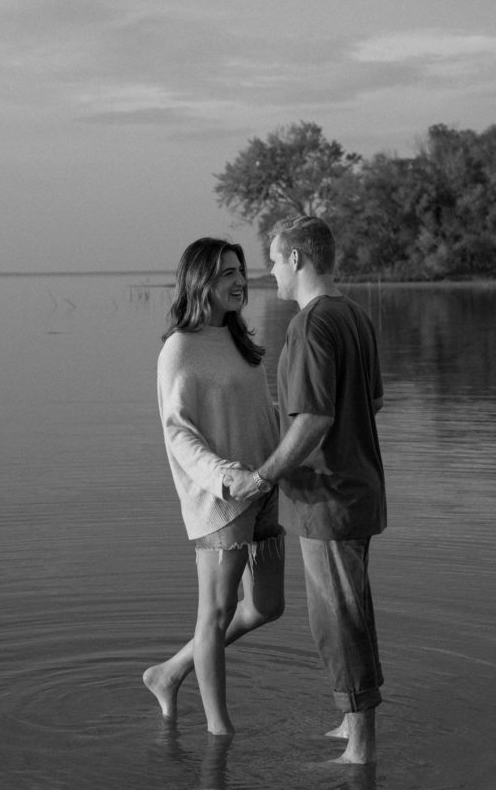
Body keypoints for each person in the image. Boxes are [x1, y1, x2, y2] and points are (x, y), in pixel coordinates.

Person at [223, 215, 386, 765]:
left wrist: (264, 475)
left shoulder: (311, 325)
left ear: (296, 258)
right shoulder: (355, 317)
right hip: (358, 491)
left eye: (272, 258)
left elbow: (314, 417)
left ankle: (359, 749)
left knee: (335, 620)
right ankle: (350, 722)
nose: (269, 270)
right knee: (351, 611)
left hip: (326, 499)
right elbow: (372, 402)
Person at [143, 237, 285, 737]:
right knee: (216, 613)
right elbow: (177, 432)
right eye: (226, 273)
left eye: (240, 270)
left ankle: (169, 672)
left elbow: (261, 412)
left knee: (267, 606)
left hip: (264, 489)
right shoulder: (179, 349)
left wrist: (290, 456)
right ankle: (218, 732)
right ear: (199, 280)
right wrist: (226, 477)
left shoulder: (239, 339)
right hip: (220, 501)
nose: (240, 280)